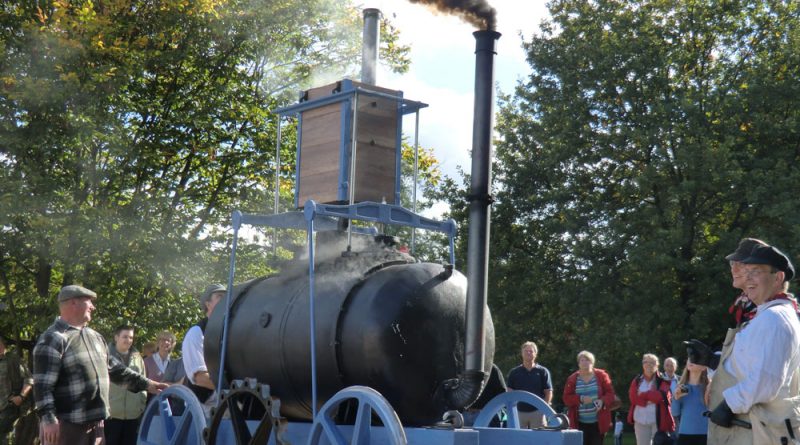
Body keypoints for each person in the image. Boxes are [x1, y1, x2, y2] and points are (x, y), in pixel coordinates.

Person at [687, 243, 800, 444]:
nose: (748, 279)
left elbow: (767, 380)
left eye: (755, 272)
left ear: (778, 277)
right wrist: (713, 361)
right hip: (749, 427)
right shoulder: (765, 316)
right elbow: (747, 367)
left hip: (758, 431)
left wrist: (728, 405)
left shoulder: (775, 318)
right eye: (746, 272)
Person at [32, 285, 168, 445]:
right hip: (68, 428)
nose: (93, 307)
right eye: (89, 302)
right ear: (73, 303)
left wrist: (148, 384)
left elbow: (116, 370)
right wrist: (48, 420)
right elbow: (42, 387)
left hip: (97, 426)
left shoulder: (95, 337)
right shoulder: (53, 338)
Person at [183, 284, 226, 415]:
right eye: (219, 297)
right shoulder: (196, 333)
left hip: (228, 405)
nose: (225, 300)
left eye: (226, 297)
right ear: (208, 304)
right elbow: (200, 377)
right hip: (203, 409)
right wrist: (231, 389)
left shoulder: (229, 331)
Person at [562, 350, 616, 445]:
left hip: (598, 423)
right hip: (579, 423)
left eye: (587, 360)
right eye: (582, 360)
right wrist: (580, 399)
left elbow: (610, 393)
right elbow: (566, 398)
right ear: (578, 364)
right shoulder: (572, 379)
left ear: (592, 362)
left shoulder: (601, 375)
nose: (584, 362)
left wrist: (602, 401)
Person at [105, 325, 147, 445]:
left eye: (131, 337)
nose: (128, 340)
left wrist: (140, 406)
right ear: (116, 337)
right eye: (125, 337)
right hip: (111, 415)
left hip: (132, 415)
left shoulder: (138, 358)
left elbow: (143, 382)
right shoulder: (105, 355)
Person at [627, 353, 675, 445]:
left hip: (658, 421)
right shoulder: (637, 380)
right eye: (646, 362)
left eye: (652, 363)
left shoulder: (663, 380)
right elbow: (633, 398)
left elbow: (662, 396)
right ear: (642, 364)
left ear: (657, 365)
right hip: (640, 420)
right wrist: (648, 401)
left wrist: (642, 394)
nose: (648, 364)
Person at [506, 341, 553, 429]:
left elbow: (548, 392)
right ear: (522, 353)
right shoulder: (514, 372)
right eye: (526, 351)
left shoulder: (543, 371)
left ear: (535, 354)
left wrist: (543, 409)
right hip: (519, 412)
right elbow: (509, 391)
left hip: (537, 412)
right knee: (518, 440)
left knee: (538, 440)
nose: (528, 353)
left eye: (531, 351)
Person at [0, 335, 34, 443]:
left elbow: (29, 379)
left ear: (3, 345)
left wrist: (21, 396)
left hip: (11, 407)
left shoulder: (14, 359)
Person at [671, 359, 708, 445]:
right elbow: (675, 413)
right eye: (689, 358)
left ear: (704, 367)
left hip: (705, 435)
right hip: (685, 435)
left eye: (695, 359)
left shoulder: (708, 388)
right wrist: (676, 398)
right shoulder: (681, 387)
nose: (691, 361)